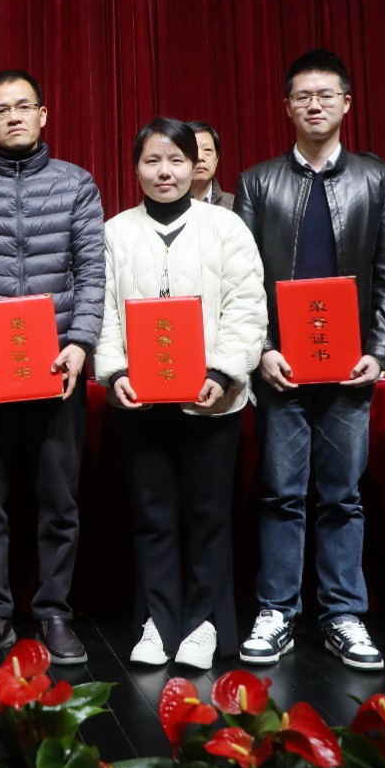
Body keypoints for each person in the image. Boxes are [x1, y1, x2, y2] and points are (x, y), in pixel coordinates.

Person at [231, 48, 385, 672]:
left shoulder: (377, 180)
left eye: (326, 95)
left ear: (346, 103)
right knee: (280, 493)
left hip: (350, 367)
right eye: (302, 96)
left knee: (342, 495)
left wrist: (378, 351)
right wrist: (262, 350)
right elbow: (242, 281)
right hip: (282, 366)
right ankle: (276, 609)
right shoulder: (257, 182)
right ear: (286, 106)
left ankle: (343, 614)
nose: (314, 105)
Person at [0, 70, 104, 665]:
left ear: (43, 114)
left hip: (57, 367)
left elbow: (92, 271)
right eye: (1, 109)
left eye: (23, 106)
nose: (14, 116)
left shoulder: (76, 184)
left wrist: (80, 342)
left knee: (59, 499)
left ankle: (54, 611)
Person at [94, 118, 265, 670]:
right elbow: (102, 312)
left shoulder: (226, 227)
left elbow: (246, 306)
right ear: (136, 168)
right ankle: (158, 621)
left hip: (211, 399)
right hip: (140, 402)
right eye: (152, 160)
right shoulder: (115, 231)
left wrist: (224, 371)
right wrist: (115, 372)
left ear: (196, 166)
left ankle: (203, 623)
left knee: (209, 515)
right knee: (152, 516)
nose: (164, 171)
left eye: (176, 160)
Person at [187, 121, 234, 209]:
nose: (200, 157)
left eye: (207, 150)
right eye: (192, 150)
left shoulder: (234, 206)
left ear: (216, 159)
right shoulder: (168, 205)